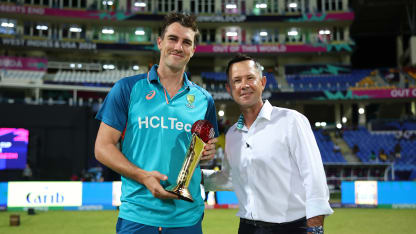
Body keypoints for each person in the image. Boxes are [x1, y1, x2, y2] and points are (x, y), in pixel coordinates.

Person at [94, 12, 219, 234]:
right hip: (138, 215)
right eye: (173, 38)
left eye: (186, 42)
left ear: (193, 50)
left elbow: (204, 147)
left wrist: (208, 152)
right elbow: (103, 148)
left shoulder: (204, 100)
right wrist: (143, 176)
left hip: (186, 217)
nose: (178, 47)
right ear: (160, 42)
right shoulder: (127, 89)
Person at [203, 54, 333, 234]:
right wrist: (195, 176)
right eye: (237, 80)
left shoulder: (291, 120)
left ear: (262, 82)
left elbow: (314, 177)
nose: (244, 85)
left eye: (250, 78)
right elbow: (230, 179)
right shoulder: (232, 134)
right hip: (247, 227)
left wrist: (316, 228)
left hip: (291, 228)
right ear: (229, 89)